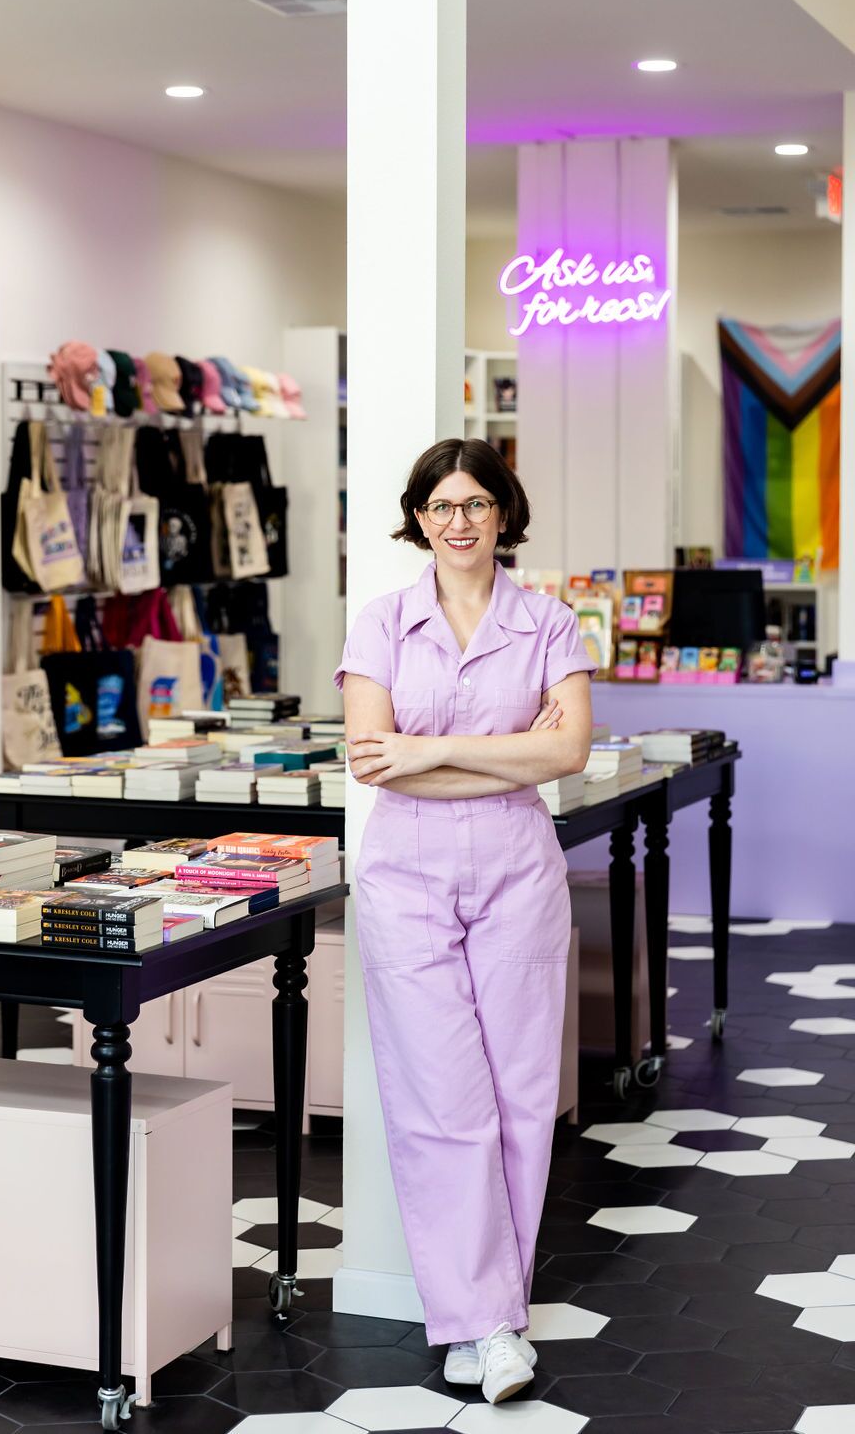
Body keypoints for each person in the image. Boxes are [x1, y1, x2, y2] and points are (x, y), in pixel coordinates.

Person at [334, 437, 595, 1404]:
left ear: (502, 513)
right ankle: (488, 1323)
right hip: (406, 870)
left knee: (522, 1096)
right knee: (444, 1100)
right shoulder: (382, 624)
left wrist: (430, 746)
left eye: (476, 504)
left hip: (519, 868)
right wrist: (500, 749)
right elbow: (370, 759)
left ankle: (487, 1316)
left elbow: (566, 751)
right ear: (419, 516)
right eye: (441, 505)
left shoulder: (549, 622)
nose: (458, 521)